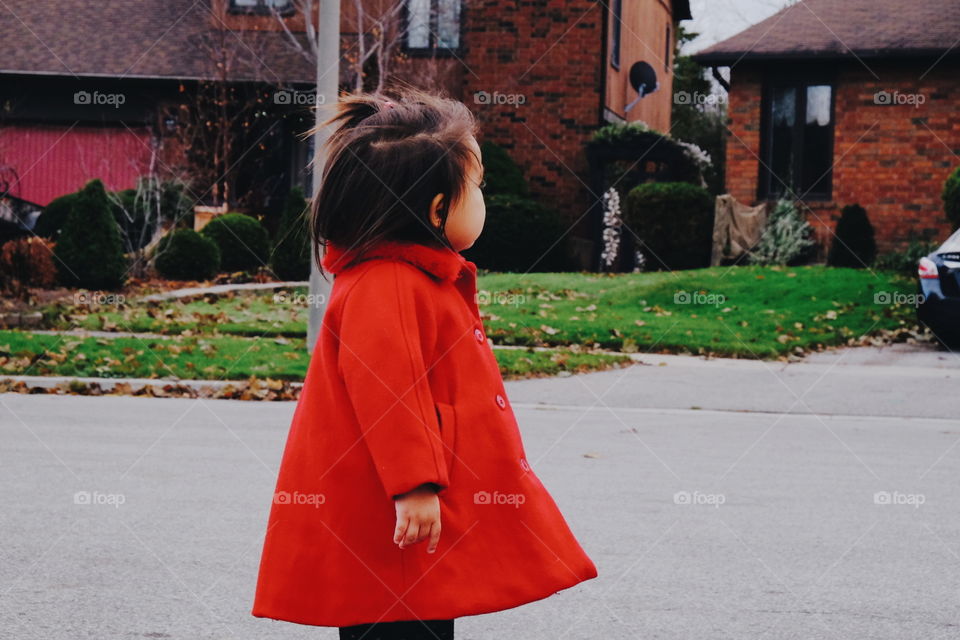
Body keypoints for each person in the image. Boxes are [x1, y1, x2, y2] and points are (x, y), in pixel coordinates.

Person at [252, 89, 598, 639]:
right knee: (396, 620)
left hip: (407, 505)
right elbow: (388, 390)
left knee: (419, 615)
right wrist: (414, 485)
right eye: (478, 186)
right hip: (391, 508)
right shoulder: (387, 282)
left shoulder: (413, 276)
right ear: (438, 210)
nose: (486, 198)